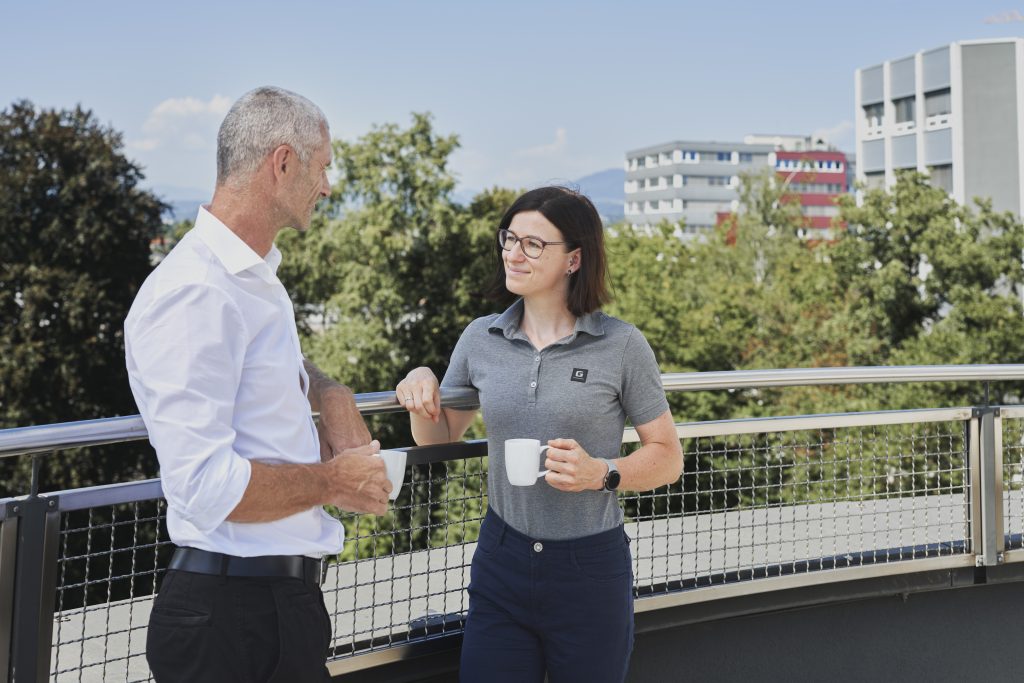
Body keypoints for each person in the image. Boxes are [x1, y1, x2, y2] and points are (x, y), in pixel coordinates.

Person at [125, 86, 391, 682]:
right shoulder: (198, 291)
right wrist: (332, 479)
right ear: (283, 163)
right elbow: (205, 487)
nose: (329, 185)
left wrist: (329, 393)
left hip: (272, 611)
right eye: (323, 166)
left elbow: (277, 377)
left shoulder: (250, 280)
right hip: (230, 623)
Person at [395, 186, 684, 682]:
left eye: (533, 244)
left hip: (590, 569)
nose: (512, 253)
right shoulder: (480, 339)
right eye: (509, 238)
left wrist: (603, 473)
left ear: (574, 259)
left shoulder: (621, 345)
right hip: (501, 560)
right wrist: (420, 384)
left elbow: (668, 457)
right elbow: (436, 438)